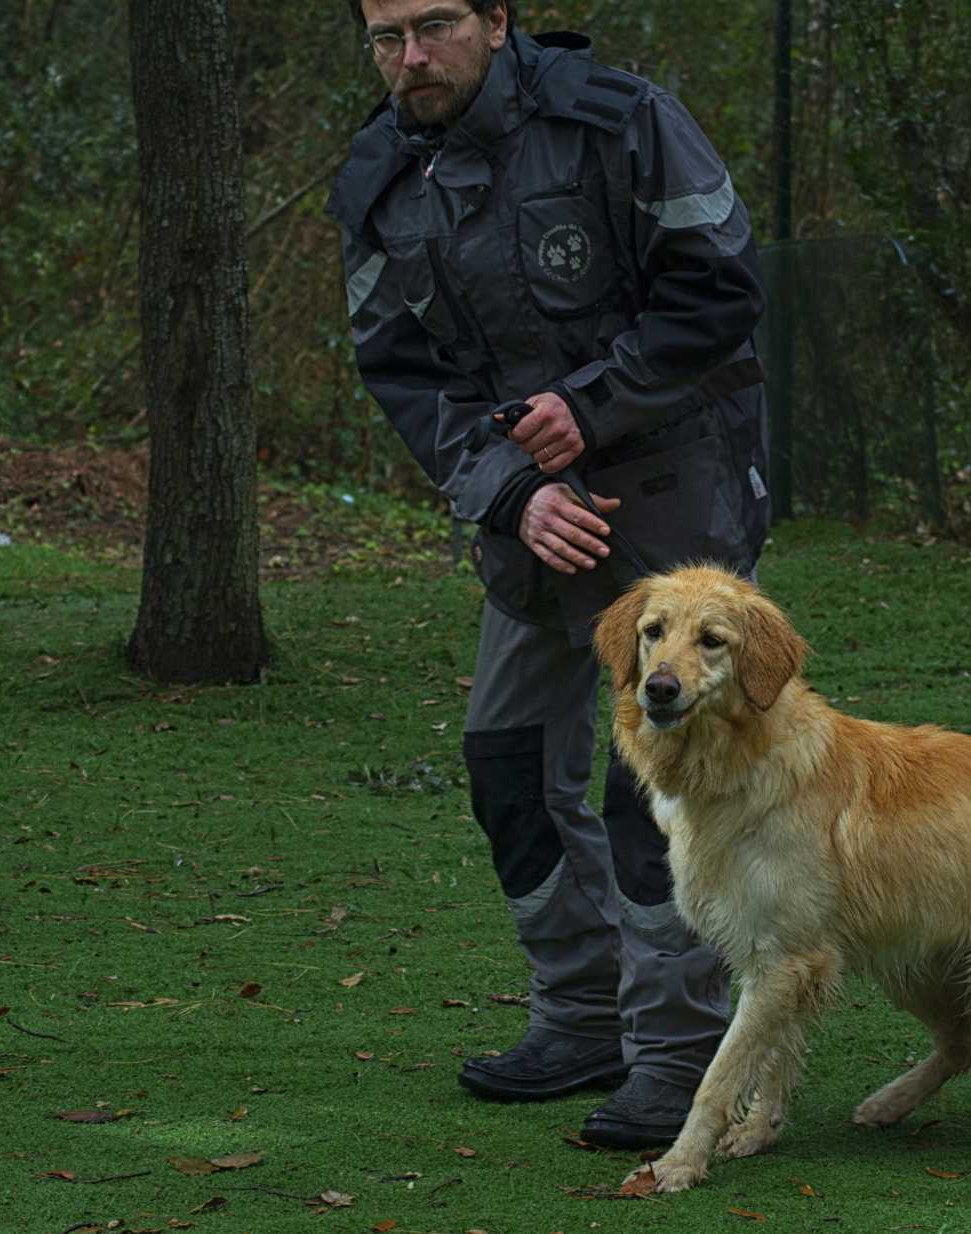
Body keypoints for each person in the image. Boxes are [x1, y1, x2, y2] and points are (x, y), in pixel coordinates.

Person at [325, 0, 770, 1150]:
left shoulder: (621, 121)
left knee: (651, 778)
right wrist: (513, 492)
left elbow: (721, 290)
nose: (409, 58)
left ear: (497, 19)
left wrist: (593, 403)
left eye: (433, 26)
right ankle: (580, 1017)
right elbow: (401, 369)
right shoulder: (375, 171)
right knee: (505, 761)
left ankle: (677, 1060)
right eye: (385, 37)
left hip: (675, 487)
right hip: (530, 510)